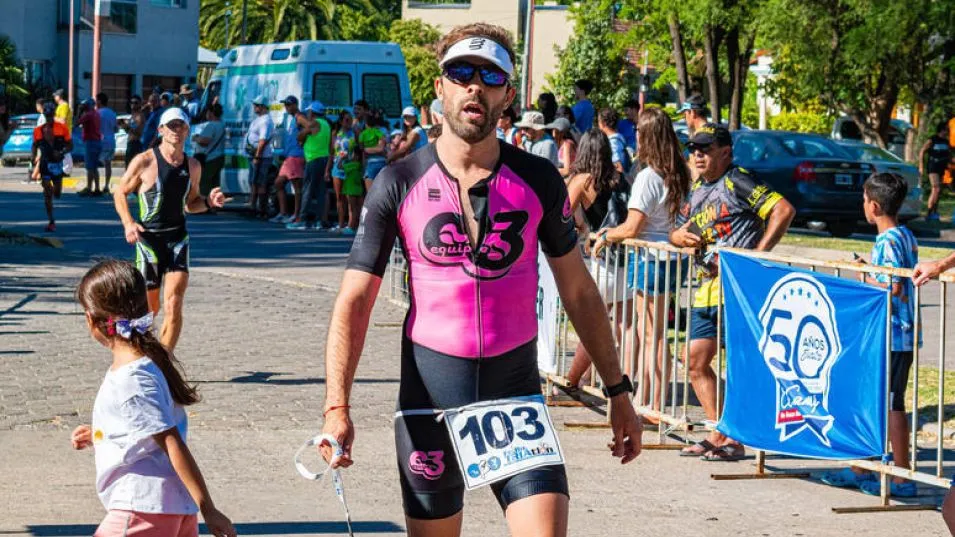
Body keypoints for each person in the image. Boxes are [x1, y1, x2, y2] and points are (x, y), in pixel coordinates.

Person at [320, 23, 642, 537]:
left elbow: (579, 291)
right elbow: (354, 301)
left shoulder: (537, 181)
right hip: (429, 397)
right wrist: (337, 407)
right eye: (461, 72)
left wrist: (618, 392)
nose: (475, 85)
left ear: (507, 95)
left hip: (514, 395)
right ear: (440, 86)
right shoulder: (398, 181)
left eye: (490, 76)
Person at [72, 259, 236, 537]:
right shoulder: (148, 362)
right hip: (173, 508)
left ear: (91, 320)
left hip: (142, 506)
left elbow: (171, 442)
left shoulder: (131, 379)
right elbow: (146, 427)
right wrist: (103, 433)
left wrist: (209, 508)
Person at [669, 123, 795, 461]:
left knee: (738, 367)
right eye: (693, 148)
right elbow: (677, 230)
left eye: (705, 149)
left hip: (735, 292)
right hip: (704, 292)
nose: (697, 154)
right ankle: (718, 431)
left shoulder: (738, 181)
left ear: (725, 152)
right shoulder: (697, 188)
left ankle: (732, 439)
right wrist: (677, 238)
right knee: (695, 363)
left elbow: (783, 210)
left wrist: (756, 255)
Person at [819, 173, 919, 497]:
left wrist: (864, 274)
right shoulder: (906, 236)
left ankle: (900, 477)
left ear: (873, 206)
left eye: (864, 200)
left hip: (891, 334)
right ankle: (866, 465)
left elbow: (892, 286)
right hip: (899, 334)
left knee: (888, 403)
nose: (862, 205)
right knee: (887, 402)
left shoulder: (887, 241)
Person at [589, 107, 692, 419]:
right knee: (655, 332)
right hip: (668, 258)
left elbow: (633, 226)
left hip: (650, 258)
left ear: (647, 137)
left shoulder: (648, 176)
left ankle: (653, 403)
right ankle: (649, 399)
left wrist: (607, 234)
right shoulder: (679, 172)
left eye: (638, 133)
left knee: (652, 335)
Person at [112, 107, 228, 352]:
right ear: (161, 130)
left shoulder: (193, 166)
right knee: (149, 311)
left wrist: (208, 202)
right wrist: (128, 223)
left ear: (187, 130)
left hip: (177, 239)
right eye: (172, 125)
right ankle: (134, 353)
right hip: (149, 243)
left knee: (174, 304)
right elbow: (119, 192)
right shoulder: (144, 161)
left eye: (181, 125)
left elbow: (191, 204)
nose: (177, 130)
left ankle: (164, 365)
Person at [560, 130, 632, 392]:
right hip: (626, 257)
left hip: (602, 261)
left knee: (593, 328)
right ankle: (606, 381)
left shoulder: (583, 180)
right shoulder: (619, 178)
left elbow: (561, 212)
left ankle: (573, 380)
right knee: (622, 329)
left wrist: (581, 229)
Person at [288, 101, 333, 230]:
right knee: (320, 191)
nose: (308, 113)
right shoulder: (326, 124)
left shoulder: (314, 123)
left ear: (312, 112)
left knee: (307, 190)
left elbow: (300, 135)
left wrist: (302, 135)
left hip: (314, 159)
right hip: (324, 158)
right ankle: (319, 221)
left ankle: (302, 219)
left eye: (309, 112)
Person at [32, 102, 72, 232]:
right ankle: (51, 221)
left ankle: (53, 190)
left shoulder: (62, 128)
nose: (48, 118)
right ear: (44, 115)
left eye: (50, 115)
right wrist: (33, 157)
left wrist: (61, 152)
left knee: (57, 193)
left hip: (57, 163)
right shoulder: (38, 130)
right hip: (45, 163)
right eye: (46, 115)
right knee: (47, 193)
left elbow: (70, 145)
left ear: (53, 115)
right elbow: (34, 145)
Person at [270, 96, 307, 223]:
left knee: (297, 187)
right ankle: (283, 212)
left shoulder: (299, 117)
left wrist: (302, 140)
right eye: (286, 105)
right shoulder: (291, 118)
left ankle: (296, 215)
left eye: (289, 104)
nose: (287, 107)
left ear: (295, 105)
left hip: (296, 156)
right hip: (289, 156)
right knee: (278, 183)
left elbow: (310, 128)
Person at [330, 110, 362, 234]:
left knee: (350, 197)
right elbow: (331, 152)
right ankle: (340, 223)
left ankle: (351, 224)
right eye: (346, 120)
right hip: (337, 167)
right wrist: (328, 169)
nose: (348, 122)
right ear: (341, 121)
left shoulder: (354, 132)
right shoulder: (335, 134)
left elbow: (360, 148)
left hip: (350, 167)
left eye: (350, 119)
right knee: (339, 197)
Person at [245, 94, 275, 219]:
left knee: (261, 183)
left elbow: (262, 141)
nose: (254, 107)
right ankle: (253, 207)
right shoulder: (259, 119)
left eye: (256, 105)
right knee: (254, 182)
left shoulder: (266, 121)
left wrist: (257, 157)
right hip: (255, 156)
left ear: (262, 107)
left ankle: (262, 210)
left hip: (262, 157)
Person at [192, 103, 226, 198]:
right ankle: (215, 205)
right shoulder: (221, 124)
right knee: (215, 183)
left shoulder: (211, 125)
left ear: (211, 113)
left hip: (211, 158)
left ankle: (203, 204)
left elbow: (205, 141)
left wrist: (196, 138)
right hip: (220, 156)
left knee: (205, 181)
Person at [919, 122, 950, 221]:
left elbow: (947, 156)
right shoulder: (932, 139)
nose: (948, 131)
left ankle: (934, 213)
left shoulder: (946, 141)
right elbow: (922, 151)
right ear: (942, 130)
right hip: (933, 167)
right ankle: (929, 212)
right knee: (936, 188)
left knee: (938, 191)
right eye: (946, 129)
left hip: (942, 168)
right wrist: (921, 165)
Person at [77, 99, 104, 196]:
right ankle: (96, 188)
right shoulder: (96, 114)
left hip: (90, 142)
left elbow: (77, 122)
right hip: (97, 141)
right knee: (94, 167)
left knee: (89, 167)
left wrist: (79, 111)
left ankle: (89, 187)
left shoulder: (88, 115)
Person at [359, 108, 389, 193]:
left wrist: (366, 150)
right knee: (383, 194)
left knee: (370, 195)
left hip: (370, 164)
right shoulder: (380, 131)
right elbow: (381, 148)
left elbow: (363, 150)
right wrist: (377, 149)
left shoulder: (362, 134)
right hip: (382, 163)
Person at [598, 108, 631, 175]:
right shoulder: (619, 138)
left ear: (603, 123)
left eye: (598, 121)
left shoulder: (613, 143)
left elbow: (618, 166)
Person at [97, 93, 118, 193]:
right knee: (108, 165)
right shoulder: (112, 113)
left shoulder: (97, 113)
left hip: (100, 141)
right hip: (111, 141)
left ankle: (96, 185)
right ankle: (106, 185)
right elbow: (116, 129)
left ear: (99, 101)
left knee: (94, 164)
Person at [124, 95, 146, 167]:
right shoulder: (133, 116)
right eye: (131, 102)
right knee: (128, 167)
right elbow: (129, 131)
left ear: (140, 104)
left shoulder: (140, 116)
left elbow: (139, 132)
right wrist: (124, 126)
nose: (133, 104)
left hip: (135, 144)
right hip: (130, 143)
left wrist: (128, 126)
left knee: (133, 168)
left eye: (135, 103)